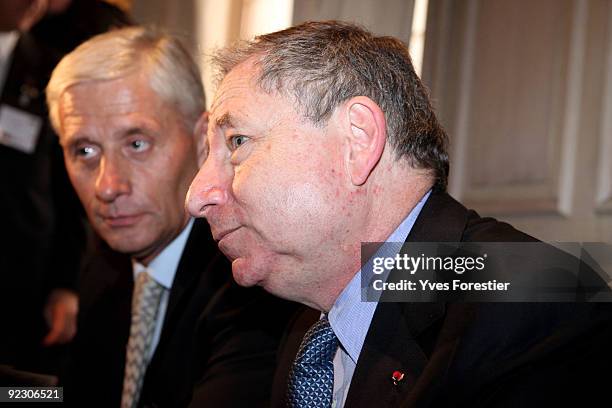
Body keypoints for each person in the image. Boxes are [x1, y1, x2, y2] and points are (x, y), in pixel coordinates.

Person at [186, 21, 612, 407]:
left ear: (359, 139)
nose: (197, 195)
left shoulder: (539, 301)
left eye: (238, 142)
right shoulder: (305, 327)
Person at [47, 26, 295, 407]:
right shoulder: (104, 267)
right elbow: (70, 394)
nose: (107, 186)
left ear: (202, 141)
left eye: (137, 143)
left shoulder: (248, 280)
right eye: (84, 151)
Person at [0, 0, 130, 376]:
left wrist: (65, 285)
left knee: (29, 394)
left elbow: (71, 191)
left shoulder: (50, 74)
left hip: (22, 280)